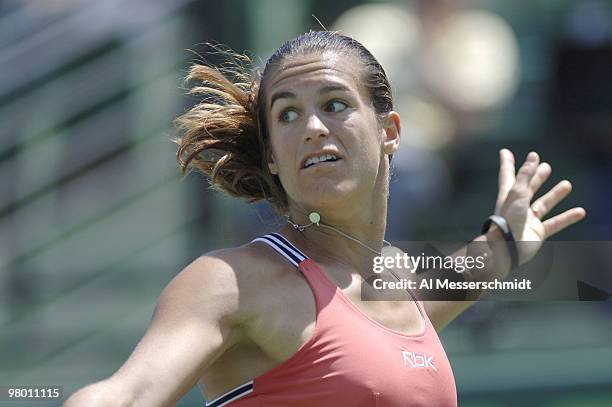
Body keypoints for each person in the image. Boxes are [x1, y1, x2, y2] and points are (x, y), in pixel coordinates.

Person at [63, 31, 586, 407]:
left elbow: (460, 274)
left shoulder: (395, 280)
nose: (312, 126)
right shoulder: (231, 283)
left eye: (335, 104)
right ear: (272, 155)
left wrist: (506, 240)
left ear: (390, 131)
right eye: (287, 114)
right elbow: (124, 395)